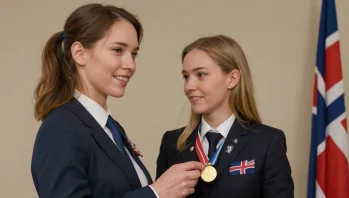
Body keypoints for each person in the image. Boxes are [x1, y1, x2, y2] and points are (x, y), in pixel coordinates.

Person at [31, 3, 204, 198]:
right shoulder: (61, 129)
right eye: (118, 50)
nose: (130, 65)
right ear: (79, 53)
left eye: (134, 54)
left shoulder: (109, 128)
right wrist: (156, 193)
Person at [156, 35, 294, 198]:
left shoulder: (267, 142)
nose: (189, 86)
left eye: (200, 74)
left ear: (232, 79)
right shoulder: (172, 142)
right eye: (186, 76)